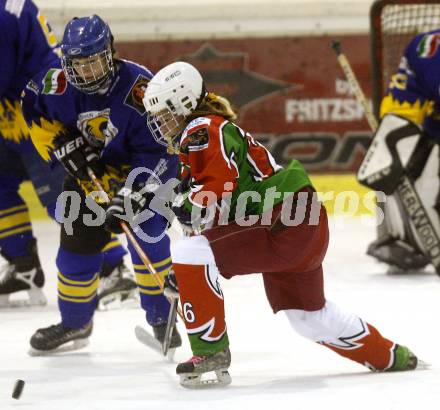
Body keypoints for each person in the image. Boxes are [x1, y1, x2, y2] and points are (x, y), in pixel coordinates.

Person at [142, 61, 419, 388]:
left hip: (282, 223)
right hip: (303, 223)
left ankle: (210, 351)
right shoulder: (209, 131)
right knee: (309, 319)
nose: (159, 122)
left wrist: (175, 208)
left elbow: (216, 191)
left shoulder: (201, 129)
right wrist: (190, 277)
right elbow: (217, 202)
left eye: (163, 113)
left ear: (183, 102)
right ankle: (391, 355)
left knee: (190, 250)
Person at [21, 15, 180, 353]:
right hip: (89, 175)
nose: (87, 71)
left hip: (143, 174)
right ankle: (75, 323)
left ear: (111, 53)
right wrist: (59, 144)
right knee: (75, 251)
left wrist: (135, 191)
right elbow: (31, 104)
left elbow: (161, 148)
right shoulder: (56, 85)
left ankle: (161, 318)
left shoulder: (141, 89)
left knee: (148, 238)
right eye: (78, 63)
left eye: (93, 61)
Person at [0, 0, 134, 309]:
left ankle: (114, 268)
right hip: (14, 111)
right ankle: (24, 267)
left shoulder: (6, 15)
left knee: (62, 198)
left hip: (39, 112)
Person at [361, 29, 440, 273]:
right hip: (435, 137)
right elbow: (402, 109)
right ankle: (407, 238)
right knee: (395, 166)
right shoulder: (428, 49)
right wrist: (392, 143)